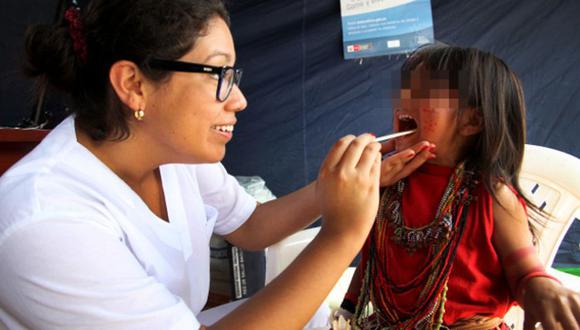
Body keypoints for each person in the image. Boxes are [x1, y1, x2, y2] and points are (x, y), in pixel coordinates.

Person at [0, 0, 436, 329]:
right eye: (218, 75)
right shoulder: (47, 220)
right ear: (134, 85)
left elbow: (252, 226)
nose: (239, 100)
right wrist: (343, 234)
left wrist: (329, 191)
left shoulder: (172, 154)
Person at [339, 44, 580, 329]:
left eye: (423, 92)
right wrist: (347, 312)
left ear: (471, 120)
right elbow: (371, 260)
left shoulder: (494, 197)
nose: (403, 98)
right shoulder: (388, 183)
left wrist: (542, 288)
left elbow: (525, 272)